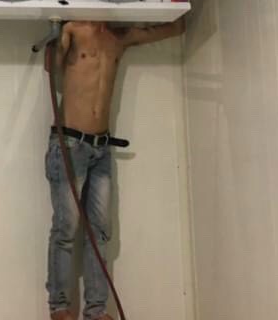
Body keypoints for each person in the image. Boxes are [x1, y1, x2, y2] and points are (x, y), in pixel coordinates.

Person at [43, 17, 186, 320]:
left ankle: (96, 310)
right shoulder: (74, 29)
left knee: (100, 232)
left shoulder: (120, 37)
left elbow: (176, 27)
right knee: (66, 230)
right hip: (69, 144)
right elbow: (52, 68)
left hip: (101, 148)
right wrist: (58, 32)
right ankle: (59, 307)